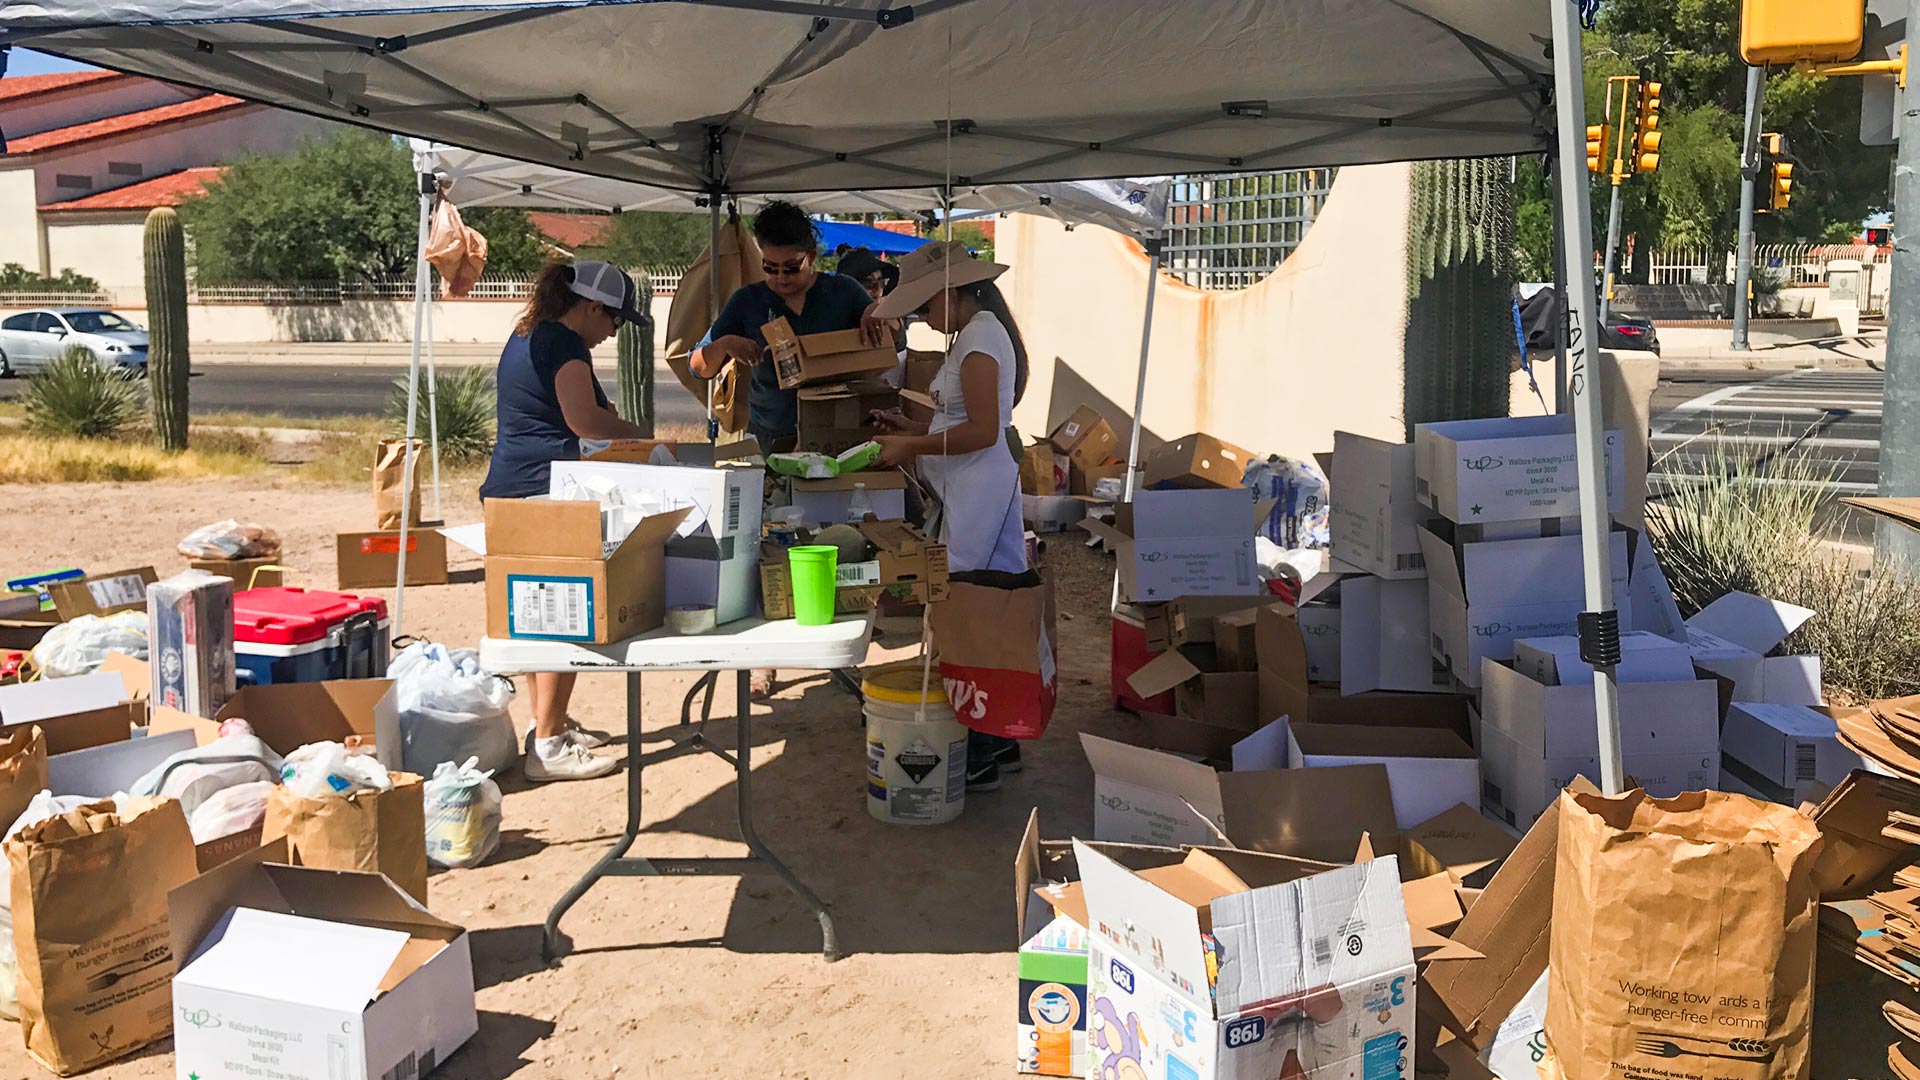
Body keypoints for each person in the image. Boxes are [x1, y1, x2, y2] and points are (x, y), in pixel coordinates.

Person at [865, 239, 1032, 790]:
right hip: (969, 493)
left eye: (924, 306)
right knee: (973, 611)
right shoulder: (973, 336)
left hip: (980, 498)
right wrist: (912, 431)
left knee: (970, 616)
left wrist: (911, 448)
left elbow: (982, 431)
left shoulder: (981, 338)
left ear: (949, 292)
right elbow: (964, 425)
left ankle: (982, 745)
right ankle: (996, 739)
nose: (923, 318)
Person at [479, 259, 653, 783]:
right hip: (545, 491)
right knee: (562, 616)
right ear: (593, 307)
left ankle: (545, 726)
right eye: (614, 321)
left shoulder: (528, 332)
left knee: (538, 614)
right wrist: (641, 439)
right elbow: (584, 421)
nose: (612, 334)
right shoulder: (565, 345)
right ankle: (550, 747)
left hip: (513, 486)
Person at [688, 201, 879, 452]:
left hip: (837, 433)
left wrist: (879, 312)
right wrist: (725, 345)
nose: (780, 277)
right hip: (771, 437)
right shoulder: (748, 300)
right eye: (770, 267)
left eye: (790, 268)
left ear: (810, 257)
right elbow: (696, 367)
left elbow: (895, 341)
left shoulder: (843, 290)